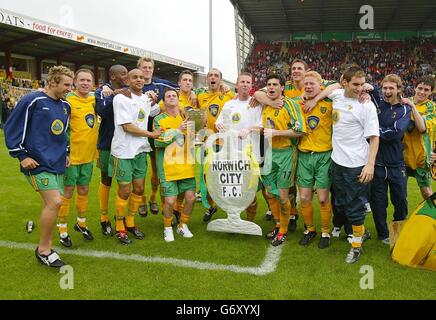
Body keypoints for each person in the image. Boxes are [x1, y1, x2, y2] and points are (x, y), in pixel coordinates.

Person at [308, 65, 379, 263]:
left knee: (354, 206)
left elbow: (374, 137)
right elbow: (330, 88)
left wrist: (370, 165)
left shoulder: (367, 105)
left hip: (356, 164)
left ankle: (356, 246)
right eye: (355, 84)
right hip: (337, 162)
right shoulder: (337, 95)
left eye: (362, 84)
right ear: (344, 82)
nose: (359, 88)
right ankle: (359, 232)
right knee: (339, 202)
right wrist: (315, 99)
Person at [5, 65, 74, 267]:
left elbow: (64, 132)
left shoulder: (65, 106)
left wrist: (67, 152)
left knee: (51, 204)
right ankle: (44, 250)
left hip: (57, 161)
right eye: (66, 85)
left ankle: (45, 246)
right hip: (36, 161)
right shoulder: (32, 100)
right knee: (55, 202)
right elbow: (12, 126)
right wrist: (21, 155)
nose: (69, 89)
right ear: (53, 82)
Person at [108, 69, 162, 244]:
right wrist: (150, 134)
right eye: (135, 77)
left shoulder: (146, 99)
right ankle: (119, 225)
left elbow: (158, 111)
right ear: (128, 80)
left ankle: (130, 223)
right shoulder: (121, 98)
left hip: (140, 150)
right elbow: (127, 126)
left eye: (141, 77)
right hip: (123, 151)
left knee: (139, 189)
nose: (139, 79)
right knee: (125, 190)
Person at [257, 73, 306, 246]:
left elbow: (300, 130)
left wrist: (277, 133)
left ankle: (283, 231)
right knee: (270, 192)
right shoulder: (267, 106)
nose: (271, 87)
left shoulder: (290, 105)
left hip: (286, 153)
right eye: (269, 84)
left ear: (282, 87)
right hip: (270, 153)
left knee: (283, 195)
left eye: (275, 84)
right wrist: (250, 129)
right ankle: (278, 223)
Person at [57, 69, 98, 247]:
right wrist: (65, 152)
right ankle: (62, 229)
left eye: (88, 80)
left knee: (83, 190)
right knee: (67, 192)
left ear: (93, 83)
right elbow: (60, 130)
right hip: (71, 157)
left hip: (88, 156)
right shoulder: (67, 101)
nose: (85, 83)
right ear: (75, 82)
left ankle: (81, 223)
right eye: (81, 80)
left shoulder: (95, 100)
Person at [368, 74, 411, 245]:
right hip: (377, 163)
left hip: (396, 164)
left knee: (400, 200)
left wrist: (373, 130)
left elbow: (395, 133)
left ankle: (399, 230)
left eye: (391, 88)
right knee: (378, 202)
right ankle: (383, 234)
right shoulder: (377, 104)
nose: (387, 91)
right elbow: (365, 87)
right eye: (384, 88)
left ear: (399, 89)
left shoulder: (405, 109)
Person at [215, 72, 263, 222]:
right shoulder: (229, 104)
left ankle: (249, 221)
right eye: (242, 81)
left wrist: (249, 129)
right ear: (236, 85)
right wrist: (219, 125)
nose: (245, 84)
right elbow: (218, 123)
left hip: (250, 154)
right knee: (233, 188)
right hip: (231, 154)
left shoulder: (256, 104)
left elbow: (262, 125)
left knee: (250, 190)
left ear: (251, 86)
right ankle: (233, 220)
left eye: (248, 82)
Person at [295, 71, 334, 249]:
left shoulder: (330, 101)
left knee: (324, 199)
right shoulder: (297, 103)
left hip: (324, 155)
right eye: (307, 84)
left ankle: (326, 231)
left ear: (321, 86)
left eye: (312, 84)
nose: (309, 87)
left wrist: (316, 99)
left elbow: (339, 85)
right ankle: (310, 229)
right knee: (304, 197)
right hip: (304, 155)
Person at [137, 57, 179, 216]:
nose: (147, 70)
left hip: (156, 134)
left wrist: (195, 95)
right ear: (139, 68)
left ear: (153, 69)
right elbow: (117, 88)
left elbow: (180, 88)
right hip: (137, 136)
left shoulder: (160, 84)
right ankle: (141, 201)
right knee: (139, 174)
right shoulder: (134, 84)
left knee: (156, 172)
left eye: (149, 67)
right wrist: (105, 86)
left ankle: (153, 199)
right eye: (144, 67)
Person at [154, 88, 196, 242]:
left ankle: (182, 225)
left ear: (179, 100)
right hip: (167, 166)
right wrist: (177, 130)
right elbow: (158, 141)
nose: (171, 98)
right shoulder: (159, 119)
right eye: (168, 96)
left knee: (191, 198)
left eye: (174, 96)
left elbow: (192, 140)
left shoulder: (187, 118)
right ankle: (167, 227)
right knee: (170, 201)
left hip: (186, 164)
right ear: (164, 101)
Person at [197, 68, 235, 222]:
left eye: (216, 76)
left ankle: (230, 211)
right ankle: (211, 207)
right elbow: (198, 117)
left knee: (226, 177)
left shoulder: (229, 95)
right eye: (210, 75)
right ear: (207, 79)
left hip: (226, 143)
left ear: (220, 79)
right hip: (208, 143)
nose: (213, 78)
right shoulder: (200, 96)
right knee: (208, 177)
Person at [95, 65, 129, 235]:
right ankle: (103, 217)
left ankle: (121, 218)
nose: (127, 75)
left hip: (126, 145)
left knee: (124, 183)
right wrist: (114, 95)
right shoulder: (102, 90)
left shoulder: (131, 90)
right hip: (107, 143)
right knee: (106, 179)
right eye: (123, 73)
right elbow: (101, 110)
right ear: (113, 76)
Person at [403, 75, 435, 200]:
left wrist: (412, 106)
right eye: (420, 88)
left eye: (426, 90)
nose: (422, 92)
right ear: (415, 87)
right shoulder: (403, 103)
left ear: (431, 91)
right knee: (400, 193)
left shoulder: (432, 108)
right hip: (402, 156)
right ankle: (401, 219)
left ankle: (432, 219)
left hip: (422, 158)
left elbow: (422, 128)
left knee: (427, 193)